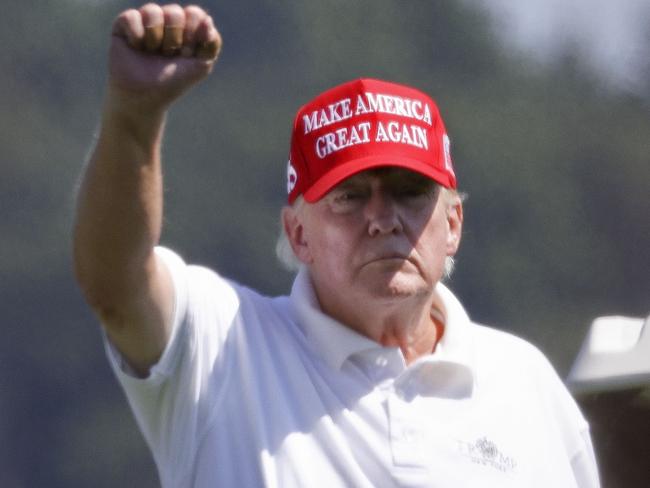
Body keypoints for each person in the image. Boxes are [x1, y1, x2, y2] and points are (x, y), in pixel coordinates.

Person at [73, 3, 600, 487]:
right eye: (349, 196)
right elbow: (116, 284)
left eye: (410, 191)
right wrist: (133, 117)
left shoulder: (523, 380)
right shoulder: (226, 348)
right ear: (298, 233)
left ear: (454, 223)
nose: (382, 218)